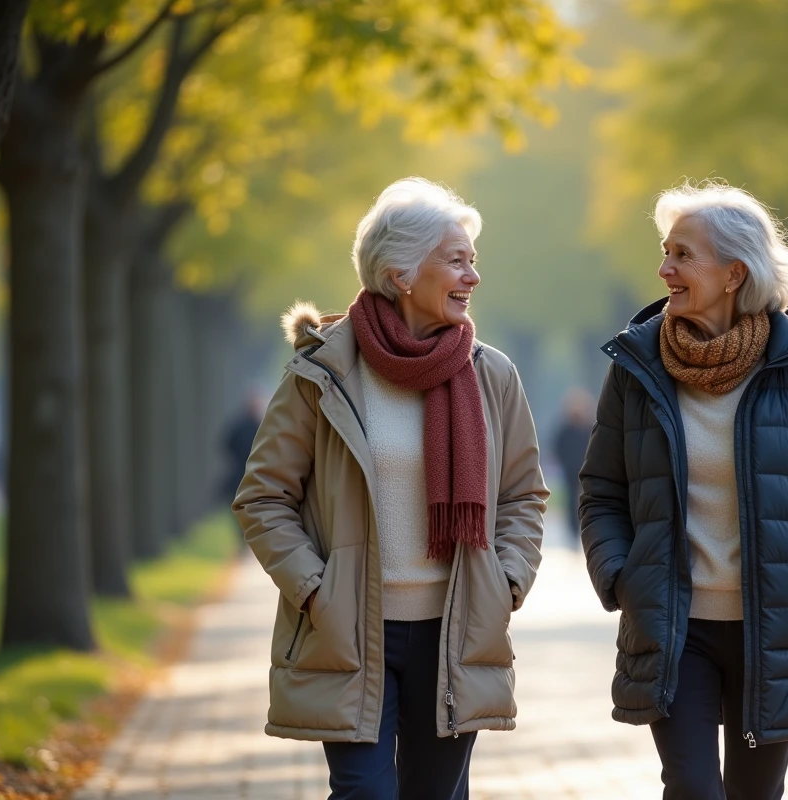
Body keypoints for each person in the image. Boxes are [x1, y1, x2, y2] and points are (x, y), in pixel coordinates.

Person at [234, 177, 548, 800]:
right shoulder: (322, 373)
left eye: (473, 262)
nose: (472, 278)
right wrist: (315, 589)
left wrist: (506, 581)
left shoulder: (492, 375)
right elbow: (263, 496)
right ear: (401, 273)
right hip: (351, 626)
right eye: (456, 261)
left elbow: (522, 496)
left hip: (454, 628)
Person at [579, 180, 788, 800]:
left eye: (683, 255)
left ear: (734, 272)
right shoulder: (637, 370)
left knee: (753, 794)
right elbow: (602, 490)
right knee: (692, 787)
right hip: (673, 627)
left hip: (771, 628)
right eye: (666, 252)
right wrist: (620, 574)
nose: (664, 268)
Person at [552, 387, 595, 545]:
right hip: (570, 470)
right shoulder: (565, 429)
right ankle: (573, 530)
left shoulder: (589, 428)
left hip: (587, 469)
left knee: (587, 499)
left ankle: (586, 527)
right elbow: (558, 447)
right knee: (571, 500)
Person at [219, 390, 265, 521]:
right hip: (254, 477)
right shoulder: (261, 427)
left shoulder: (237, 426)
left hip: (240, 477)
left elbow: (226, 445)